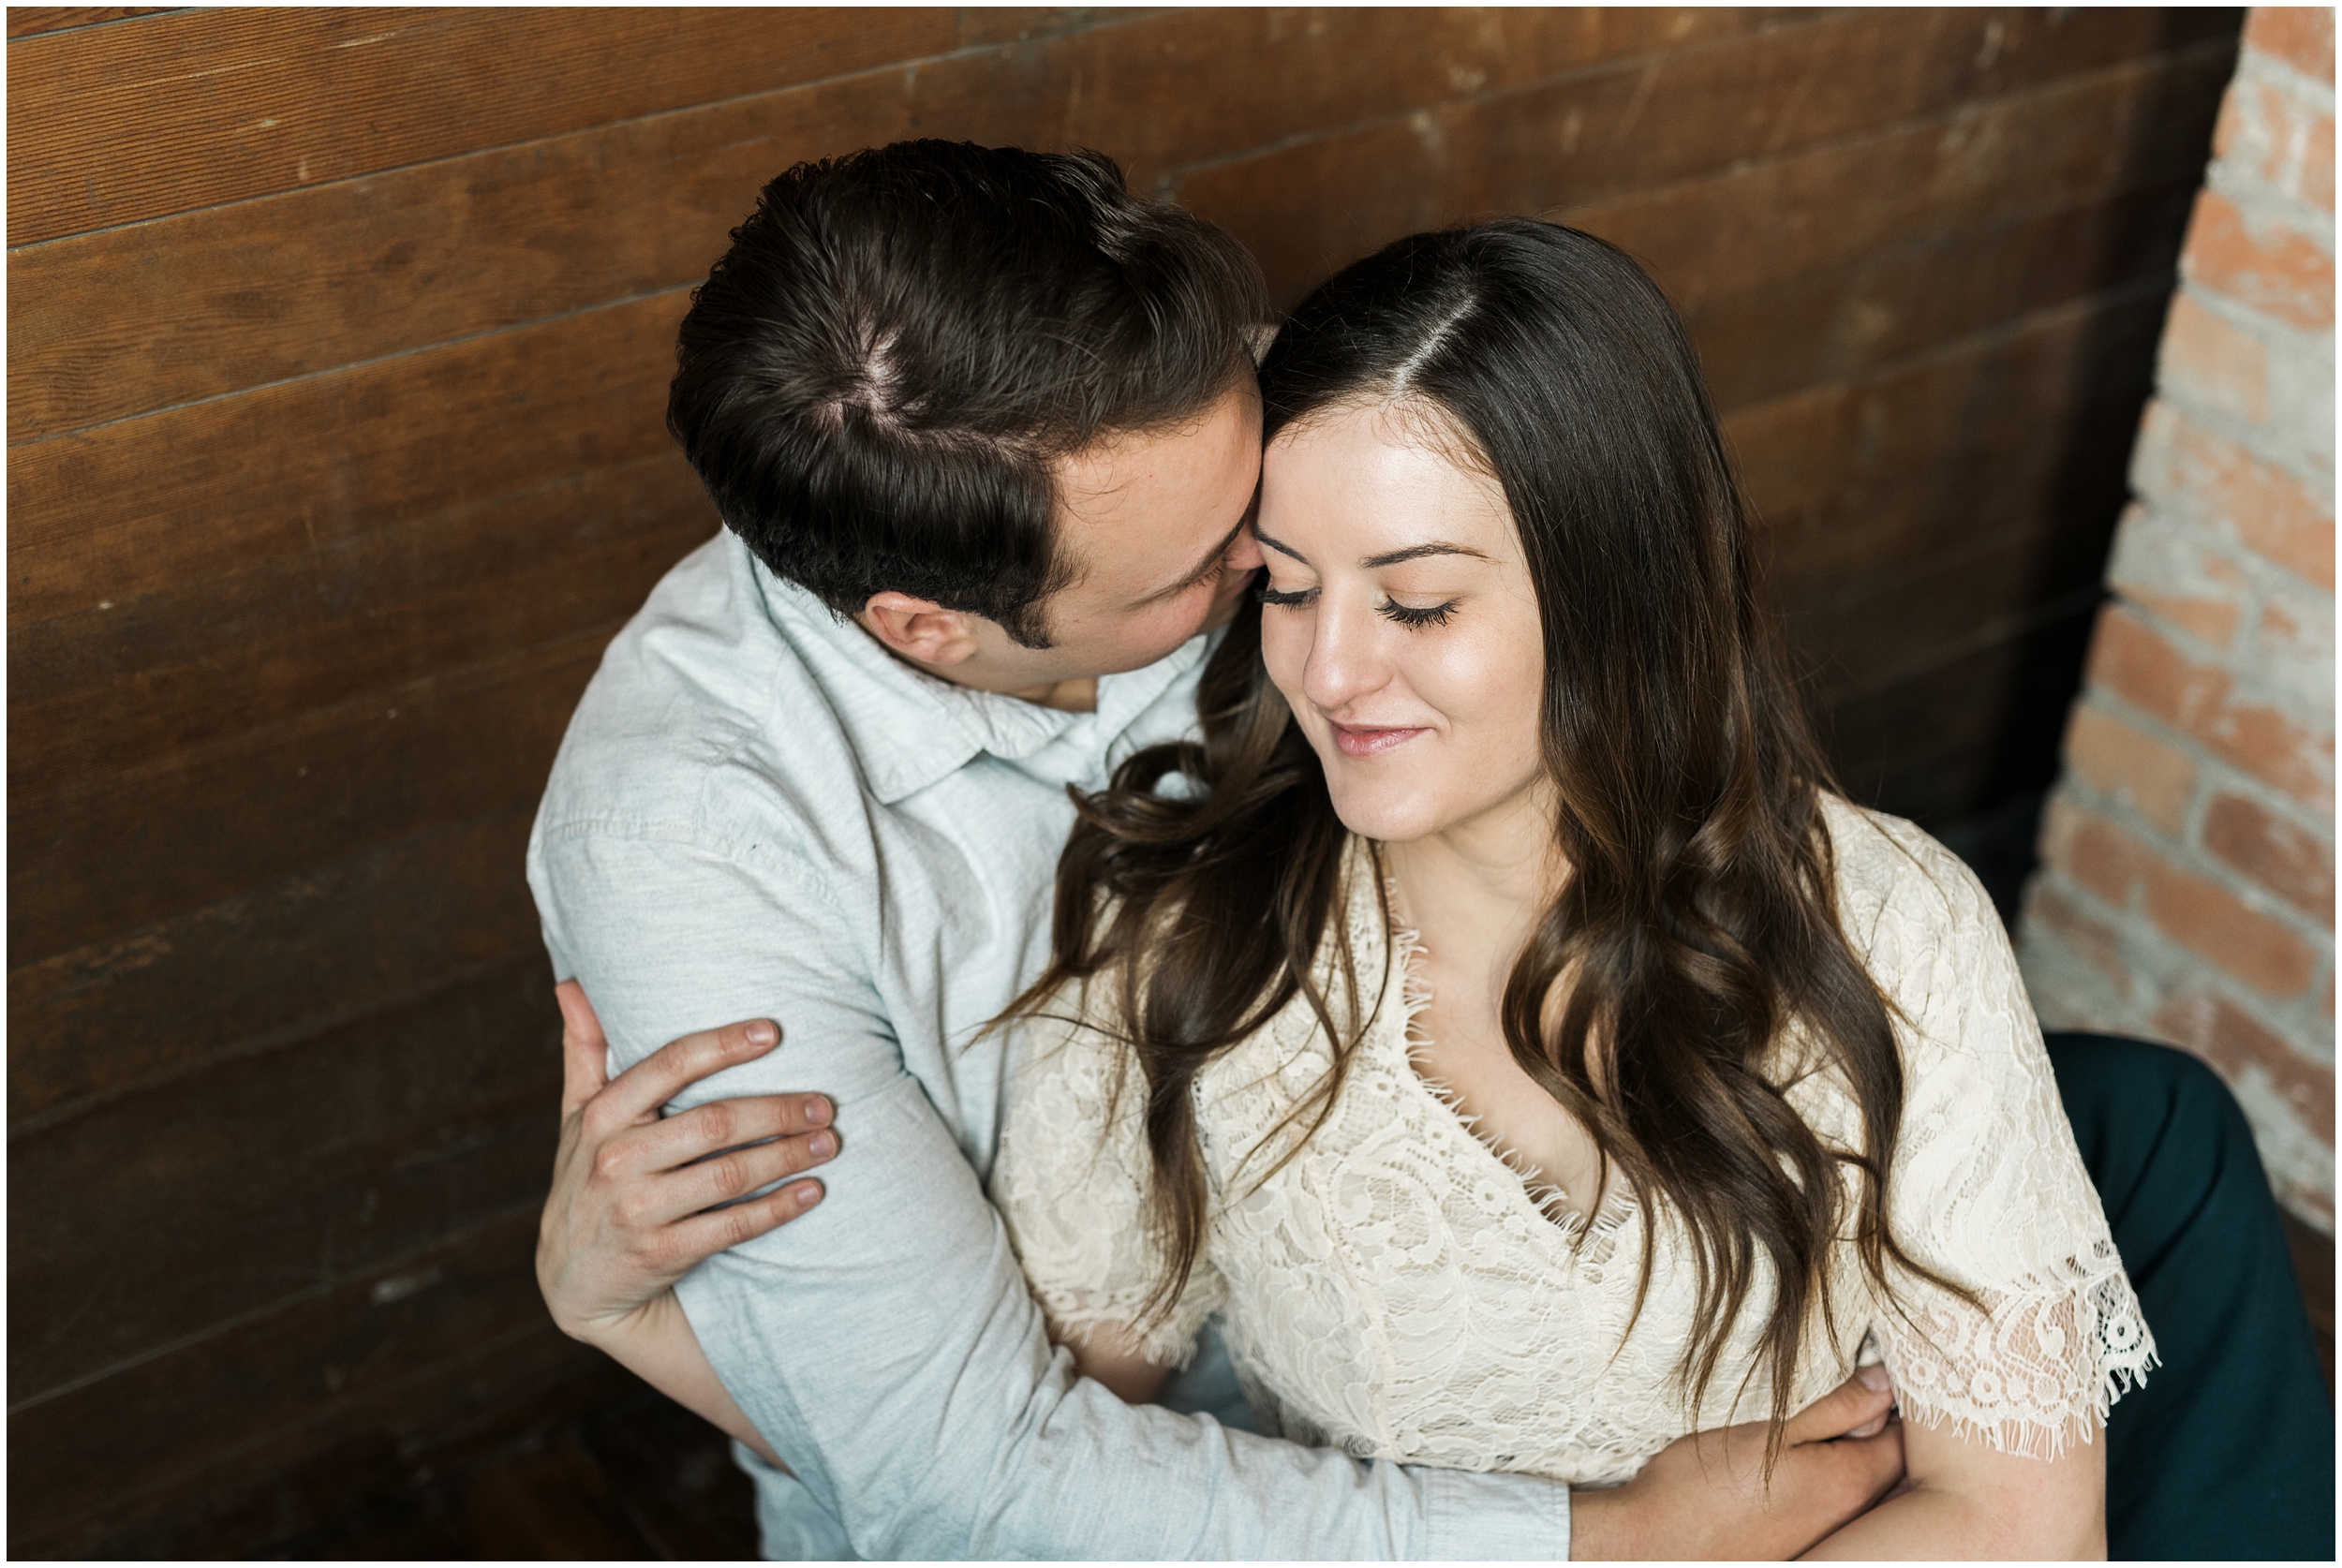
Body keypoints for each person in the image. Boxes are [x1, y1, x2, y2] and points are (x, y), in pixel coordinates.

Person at [536, 143, 2335, 1560]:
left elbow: (2019, 1530)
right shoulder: (725, 856)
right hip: (1237, 1497)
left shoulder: (1206, 427)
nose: (1301, 653)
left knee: (2160, 1128)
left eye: (1398, 591)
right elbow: (982, 1471)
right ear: (941, 625)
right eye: (1260, 578)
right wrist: (622, 1319)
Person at [993, 216, 2139, 1556]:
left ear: (1615, 590)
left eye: (1415, 602)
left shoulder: (1895, 924)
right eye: (1289, 589)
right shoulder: (1186, 953)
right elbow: (1047, 1469)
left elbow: (2018, 1525)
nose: (1329, 670)